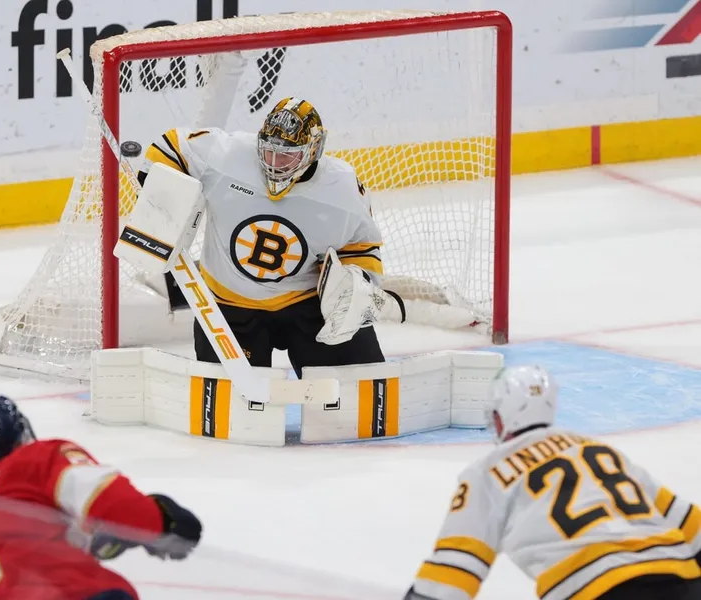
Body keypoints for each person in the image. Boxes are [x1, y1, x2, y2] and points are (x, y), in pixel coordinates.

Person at [137, 96, 424, 378]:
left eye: (288, 154)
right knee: (231, 406)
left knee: (356, 392)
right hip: (228, 304)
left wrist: (354, 288)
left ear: (313, 150)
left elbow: (361, 246)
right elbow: (171, 147)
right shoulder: (226, 155)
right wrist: (158, 193)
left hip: (308, 304)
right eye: (268, 151)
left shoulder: (343, 189)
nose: (274, 162)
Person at [404, 366, 701, 600]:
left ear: (501, 417)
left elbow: (451, 575)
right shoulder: (599, 450)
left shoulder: (487, 472)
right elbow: (692, 524)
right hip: (682, 576)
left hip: (596, 589)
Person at [0, 396, 202, 600]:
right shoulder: (33, 459)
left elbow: (25, 551)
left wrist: (91, 539)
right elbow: (112, 502)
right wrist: (162, 520)